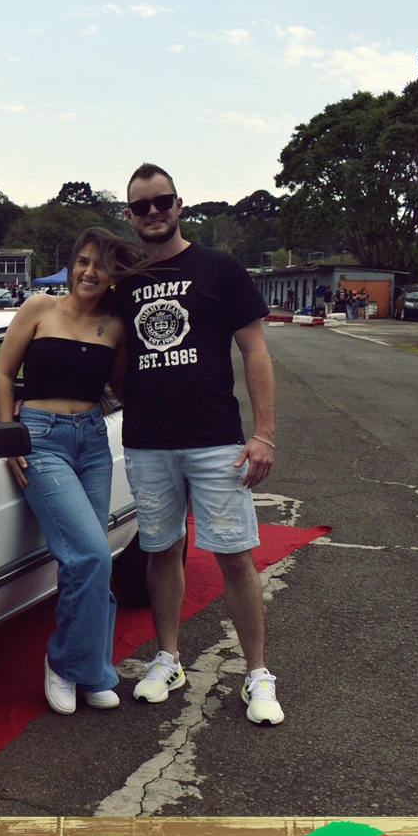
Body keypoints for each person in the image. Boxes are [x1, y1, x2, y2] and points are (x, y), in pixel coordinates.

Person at [116, 162, 283, 725]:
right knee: (161, 551)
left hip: (215, 440)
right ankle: (168, 658)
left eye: (161, 201)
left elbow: (255, 351)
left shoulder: (219, 267)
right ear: (130, 215)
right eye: (142, 206)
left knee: (234, 555)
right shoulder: (124, 281)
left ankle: (257, 673)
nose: (153, 212)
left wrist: (264, 434)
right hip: (147, 443)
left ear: (179, 204)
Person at [0, 226, 138, 715]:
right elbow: (4, 374)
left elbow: (122, 388)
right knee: (91, 554)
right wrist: (8, 437)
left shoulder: (115, 327)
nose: (89, 272)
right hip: (41, 440)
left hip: (93, 441)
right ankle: (64, 663)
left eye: (101, 265)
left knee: (94, 560)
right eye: (83, 261)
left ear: (113, 275)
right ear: (71, 264)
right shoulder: (38, 307)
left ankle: (91, 670)